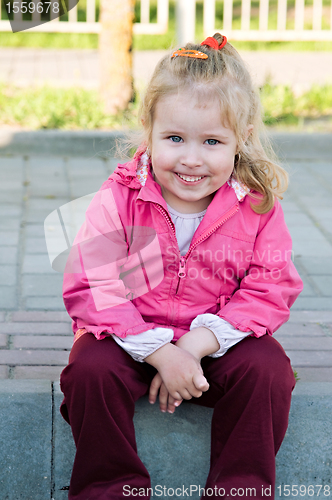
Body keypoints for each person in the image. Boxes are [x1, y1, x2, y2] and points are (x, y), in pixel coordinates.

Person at [60, 33, 303, 500]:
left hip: (215, 343)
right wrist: (158, 352)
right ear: (148, 129)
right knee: (90, 369)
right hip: (128, 341)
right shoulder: (119, 198)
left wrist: (192, 347)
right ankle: (110, 488)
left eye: (212, 141)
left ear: (241, 139)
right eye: (174, 138)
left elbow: (271, 285)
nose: (191, 158)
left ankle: (240, 489)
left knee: (268, 368)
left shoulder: (256, 207)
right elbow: (93, 284)